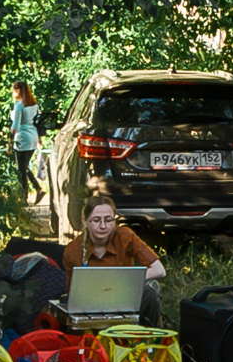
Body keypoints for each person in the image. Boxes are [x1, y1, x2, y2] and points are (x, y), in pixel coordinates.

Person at [61, 195, 166, 327]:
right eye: (96, 220)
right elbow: (72, 294)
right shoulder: (73, 250)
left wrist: (120, 279)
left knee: (152, 288)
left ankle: (147, 334)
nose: (103, 226)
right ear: (85, 221)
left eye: (108, 220)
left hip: (126, 296)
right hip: (92, 302)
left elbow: (159, 270)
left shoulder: (125, 236)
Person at [9, 81, 42, 191]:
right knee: (24, 166)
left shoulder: (19, 106)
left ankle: (25, 193)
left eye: (13, 91)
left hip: (22, 138)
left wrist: (9, 142)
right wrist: (39, 139)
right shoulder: (34, 105)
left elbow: (15, 126)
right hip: (33, 137)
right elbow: (38, 123)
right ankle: (37, 188)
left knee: (21, 169)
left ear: (18, 91)